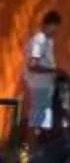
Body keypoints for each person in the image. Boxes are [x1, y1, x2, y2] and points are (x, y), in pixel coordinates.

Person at [21, 9, 62, 137]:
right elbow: (32, 65)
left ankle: (38, 151)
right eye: (55, 27)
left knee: (43, 121)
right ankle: (32, 152)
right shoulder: (39, 40)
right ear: (49, 24)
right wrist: (52, 70)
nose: (56, 31)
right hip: (39, 85)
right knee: (37, 123)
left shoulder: (48, 41)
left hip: (46, 86)